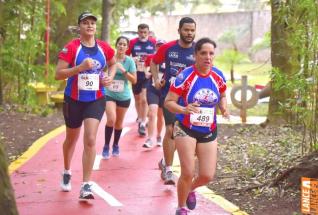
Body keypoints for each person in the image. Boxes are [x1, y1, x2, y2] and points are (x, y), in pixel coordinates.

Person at [55, 11, 116, 201]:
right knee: (71, 139)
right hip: (73, 99)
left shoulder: (104, 48)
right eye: (86, 23)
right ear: (79, 27)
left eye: (92, 23)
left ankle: (86, 185)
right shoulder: (72, 47)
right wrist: (79, 68)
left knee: (90, 139)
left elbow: (113, 64)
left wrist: (109, 77)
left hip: (96, 98)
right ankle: (66, 170)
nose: (90, 26)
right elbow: (58, 74)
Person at [164, 37, 229, 215]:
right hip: (185, 128)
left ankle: (190, 189)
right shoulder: (185, 76)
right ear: (195, 55)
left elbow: (222, 95)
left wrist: (223, 106)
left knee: (207, 175)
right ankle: (181, 206)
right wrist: (184, 109)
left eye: (211, 54)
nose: (208, 57)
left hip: (208, 130)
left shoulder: (218, 75)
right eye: (203, 53)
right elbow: (168, 102)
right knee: (187, 171)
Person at [151, 17, 196, 185]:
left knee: (181, 134)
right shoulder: (168, 48)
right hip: (170, 96)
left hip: (189, 99)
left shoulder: (197, 50)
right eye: (186, 30)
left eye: (192, 30)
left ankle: (164, 161)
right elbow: (154, 63)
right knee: (171, 129)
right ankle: (169, 170)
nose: (189, 33)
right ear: (179, 31)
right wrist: (156, 79)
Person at [102, 36, 137, 159]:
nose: (121, 46)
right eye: (119, 44)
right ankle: (106, 145)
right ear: (116, 45)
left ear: (127, 48)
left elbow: (134, 80)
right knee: (111, 119)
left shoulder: (129, 61)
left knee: (118, 122)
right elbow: (102, 71)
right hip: (109, 93)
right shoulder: (109, 59)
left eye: (124, 45)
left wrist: (124, 71)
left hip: (123, 96)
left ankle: (115, 144)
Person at [126, 24, 156, 136]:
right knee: (137, 99)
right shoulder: (133, 42)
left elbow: (157, 56)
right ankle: (140, 117)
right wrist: (132, 59)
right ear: (137, 32)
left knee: (144, 99)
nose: (143, 34)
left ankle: (143, 123)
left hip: (147, 75)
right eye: (141, 32)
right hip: (135, 74)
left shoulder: (153, 42)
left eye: (145, 32)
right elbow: (126, 57)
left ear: (148, 32)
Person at [143, 39, 166, 148]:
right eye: (158, 46)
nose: (160, 48)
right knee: (152, 114)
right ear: (155, 47)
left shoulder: (169, 60)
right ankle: (149, 139)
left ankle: (158, 136)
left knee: (160, 116)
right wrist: (148, 72)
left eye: (162, 46)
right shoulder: (152, 58)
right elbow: (147, 72)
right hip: (152, 89)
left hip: (164, 91)